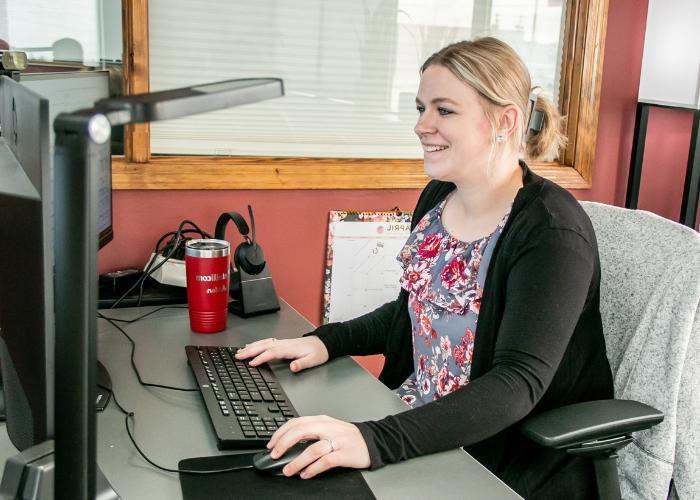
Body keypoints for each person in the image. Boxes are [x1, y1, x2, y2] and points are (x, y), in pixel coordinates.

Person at [235, 37, 613, 499]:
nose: (421, 125)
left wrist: (374, 440)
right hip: (418, 419)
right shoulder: (439, 199)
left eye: (444, 110)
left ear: (505, 120)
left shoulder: (550, 232)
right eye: (420, 108)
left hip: (498, 454)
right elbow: (413, 314)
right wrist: (322, 341)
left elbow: (516, 384)